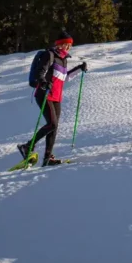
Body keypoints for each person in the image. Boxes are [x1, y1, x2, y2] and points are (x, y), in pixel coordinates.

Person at [19, 30, 87, 166]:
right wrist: (43, 82)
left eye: (70, 45)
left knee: (53, 127)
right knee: (53, 124)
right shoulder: (49, 55)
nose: (69, 47)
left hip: (56, 97)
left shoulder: (63, 60)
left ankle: (48, 158)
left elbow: (64, 78)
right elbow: (40, 73)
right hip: (44, 94)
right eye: (66, 44)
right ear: (60, 44)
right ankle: (27, 146)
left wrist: (79, 68)